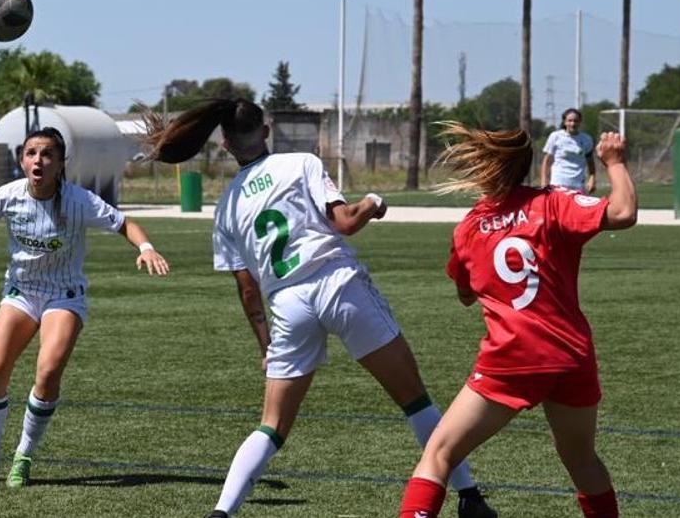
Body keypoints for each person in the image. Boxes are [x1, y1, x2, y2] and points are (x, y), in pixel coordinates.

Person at [140, 99, 495, 518]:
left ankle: (221, 513)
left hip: (288, 305)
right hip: (337, 284)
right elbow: (344, 222)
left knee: (271, 425)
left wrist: (265, 346)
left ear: (225, 142)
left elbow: (247, 290)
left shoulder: (226, 206)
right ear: (266, 131)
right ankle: (470, 497)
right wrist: (374, 202)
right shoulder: (300, 163)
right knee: (415, 400)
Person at [396, 126, 637, 518]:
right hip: (570, 355)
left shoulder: (468, 229)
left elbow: (464, 292)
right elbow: (623, 212)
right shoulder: (554, 203)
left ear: (482, 169)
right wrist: (615, 162)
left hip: (512, 357)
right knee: (581, 460)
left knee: (439, 453)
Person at [0, 127, 171, 488]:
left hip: (64, 295)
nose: (39, 160)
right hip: (21, 292)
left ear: (60, 163)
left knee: (47, 373)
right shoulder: (8, 196)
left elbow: (126, 224)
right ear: (22, 160)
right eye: (32, 153)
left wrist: (145, 248)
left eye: (48, 154)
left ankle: (24, 456)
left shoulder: (79, 200)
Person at [540, 108, 597, 194]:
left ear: (580, 122)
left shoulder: (586, 139)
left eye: (575, 121)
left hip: (578, 186)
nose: (573, 124)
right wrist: (544, 181)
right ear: (565, 122)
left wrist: (592, 178)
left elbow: (590, 162)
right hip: (558, 184)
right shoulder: (555, 136)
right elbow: (547, 161)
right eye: (569, 121)